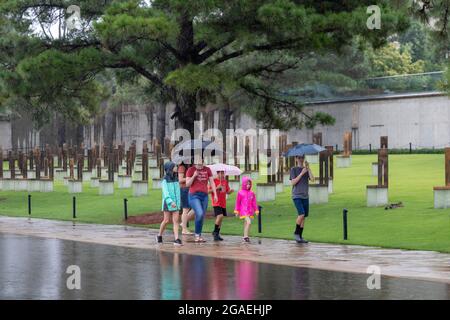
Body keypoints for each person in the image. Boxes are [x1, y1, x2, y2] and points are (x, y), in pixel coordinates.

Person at [186, 158, 218, 243]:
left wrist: (215, 194)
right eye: (198, 164)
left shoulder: (207, 169)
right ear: (195, 162)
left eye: (201, 164)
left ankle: (199, 235)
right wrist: (194, 176)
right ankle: (197, 235)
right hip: (194, 195)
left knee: (201, 216)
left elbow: (212, 182)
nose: (199, 166)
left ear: (203, 161)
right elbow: (187, 184)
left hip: (204, 196)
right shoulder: (191, 170)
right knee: (199, 213)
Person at [290, 155, 314, 244]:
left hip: (305, 196)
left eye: (302, 157)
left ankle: (300, 236)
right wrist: (301, 173)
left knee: (304, 217)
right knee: (301, 214)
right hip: (297, 195)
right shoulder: (293, 169)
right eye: (299, 158)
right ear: (296, 159)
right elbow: (293, 182)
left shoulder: (306, 169)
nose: (301, 159)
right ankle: (296, 233)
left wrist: (309, 168)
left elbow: (312, 179)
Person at [157, 161, 182, 246]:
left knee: (176, 221)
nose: (176, 168)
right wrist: (170, 202)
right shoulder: (165, 180)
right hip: (168, 203)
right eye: (175, 167)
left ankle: (176, 239)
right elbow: (165, 193)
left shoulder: (176, 178)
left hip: (176, 203)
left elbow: (178, 192)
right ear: (170, 168)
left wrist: (178, 202)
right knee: (166, 220)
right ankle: (159, 235)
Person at [209, 170, 234, 241]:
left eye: (223, 173)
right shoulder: (213, 181)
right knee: (220, 216)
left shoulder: (225, 181)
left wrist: (230, 191)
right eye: (221, 173)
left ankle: (217, 234)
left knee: (221, 219)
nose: (223, 175)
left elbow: (227, 191)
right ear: (217, 173)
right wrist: (217, 187)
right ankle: (215, 232)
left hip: (223, 203)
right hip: (216, 202)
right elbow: (208, 191)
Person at [234, 176, 259, 243]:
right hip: (243, 211)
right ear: (244, 184)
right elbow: (237, 203)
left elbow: (254, 202)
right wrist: (237, 211)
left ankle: (245, 236)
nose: (248, 185)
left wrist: (256, 209)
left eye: (249, 184)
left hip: (250, 211)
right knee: (249, 222)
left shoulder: (252, 193)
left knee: (246, 223)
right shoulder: (240, 193)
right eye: (247, 184)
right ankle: (246, 237)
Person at [178, 162, 195, 235]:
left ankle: (183, 223)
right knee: (186, 209)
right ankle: (184, 229)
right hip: (184, 189)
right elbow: (180, 179)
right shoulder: (182, 167)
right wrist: (191, 177)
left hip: (191, 188)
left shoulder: (191, 166)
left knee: (196, 208)